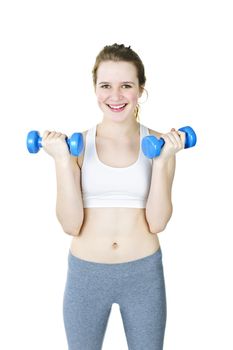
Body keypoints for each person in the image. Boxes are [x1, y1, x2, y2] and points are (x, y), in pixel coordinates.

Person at [42, 43, 185, 350]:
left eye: (126, 86)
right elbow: (71, 225)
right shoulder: (75, 147)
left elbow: (157, 222)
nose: (115, 96)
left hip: (143, 274)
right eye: (106, 85)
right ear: (95, 89)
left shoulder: (161, 145)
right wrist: (62, 161)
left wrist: (160, 163)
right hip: (86, 274)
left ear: (141, 90)